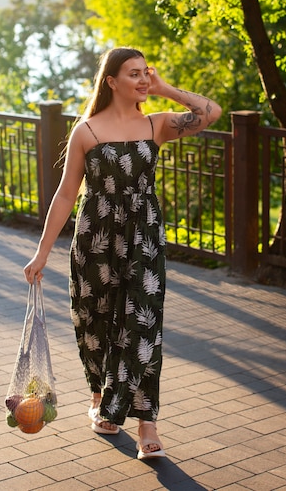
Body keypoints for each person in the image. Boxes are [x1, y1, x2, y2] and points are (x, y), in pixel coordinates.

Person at [24, 46, 222, 459]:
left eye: (144, 73)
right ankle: (101, 398)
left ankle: (147, 420)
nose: (142, 80)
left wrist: (166, 88)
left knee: (143, 322)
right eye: (134, 74)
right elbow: (65, 195)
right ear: (111, 81)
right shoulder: (87, 131)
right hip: (95, 236)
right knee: (95, 318)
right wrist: (42, 253)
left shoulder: (157, 124)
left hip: (143, 236)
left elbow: (210, 112)